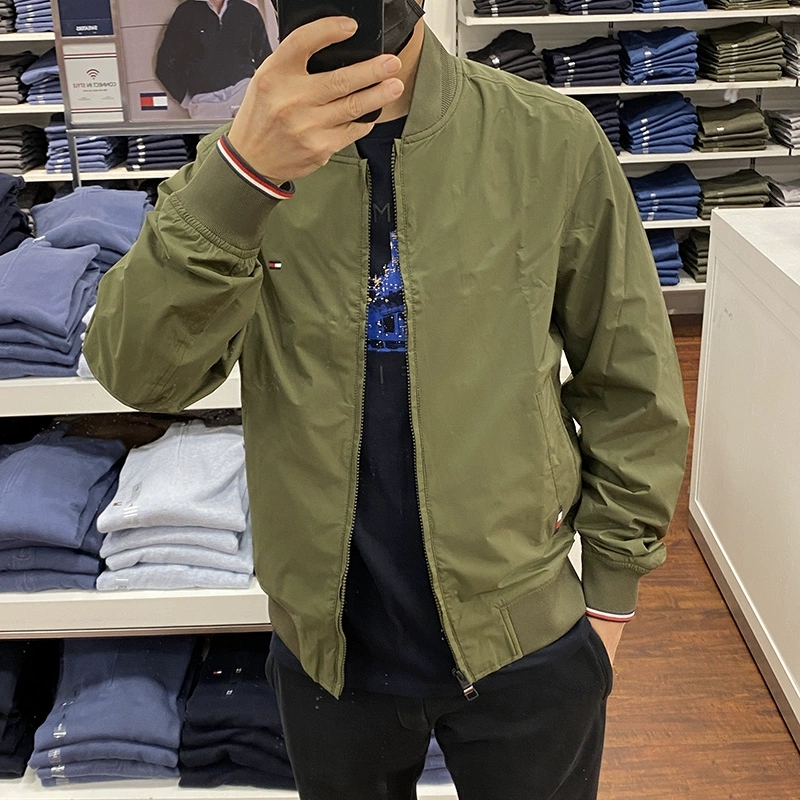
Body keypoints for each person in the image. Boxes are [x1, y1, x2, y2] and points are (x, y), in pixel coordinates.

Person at [84, 1, 690, 797]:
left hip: (525, 633)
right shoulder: (238, 163)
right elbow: (141, 374)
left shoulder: (549, 138)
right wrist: (241, 177)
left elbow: (630, 379)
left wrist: (612, 593)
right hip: (327, 653)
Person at [155, 0, 271, 119]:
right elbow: (164, 65)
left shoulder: (248, 11)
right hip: (206, 103)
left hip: (243, 94)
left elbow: (268, 62)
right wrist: (187, 101)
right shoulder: (186, 13)